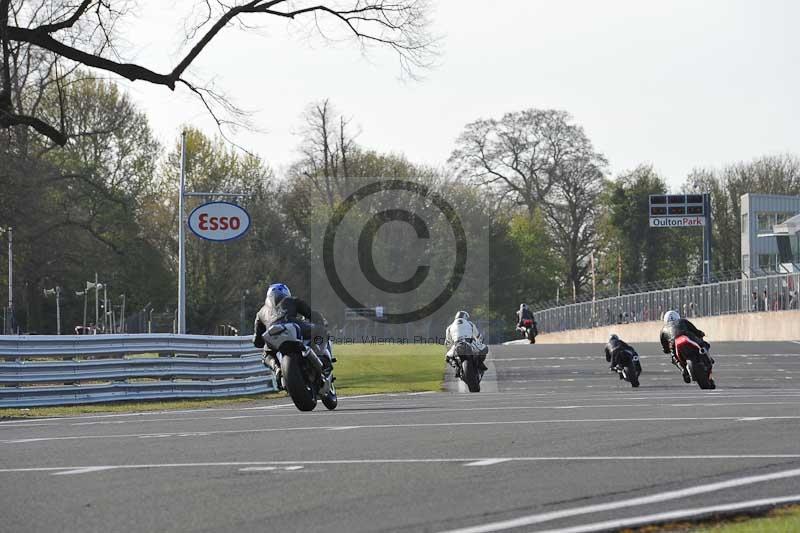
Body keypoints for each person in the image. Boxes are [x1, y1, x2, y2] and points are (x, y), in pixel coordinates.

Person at [252, 283, 332, 390]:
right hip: (292, 326)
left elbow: (257, 342)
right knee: (320, 330)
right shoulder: (291, 300)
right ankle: (322, 358)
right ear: (285, 293)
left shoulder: (260, 312)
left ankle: (277, 368)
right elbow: (311, 314)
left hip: (272, 335)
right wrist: (321, 321)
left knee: (266, 354)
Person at [659, 310, 709, 384]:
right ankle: (704, 352)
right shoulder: (682, 321)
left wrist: (666, 350)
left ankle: (683, 370)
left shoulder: (663, 330)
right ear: (677, 317)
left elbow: (665, 347)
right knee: (704, 344)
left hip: (674, 343)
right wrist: (701, 334)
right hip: (686, 336)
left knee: (674, 358)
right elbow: (695, 330)